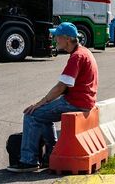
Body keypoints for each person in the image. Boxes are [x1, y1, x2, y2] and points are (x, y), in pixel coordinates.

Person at [7, 22, 99, 173]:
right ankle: (51, 153)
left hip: (75, 102)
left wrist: (40, 103)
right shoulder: (84, 52)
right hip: (84, 100)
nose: (55, 39)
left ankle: (28, 160)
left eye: (57, 37)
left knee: (32, 114)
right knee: (44, 115)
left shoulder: (76, 57)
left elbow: (61, 87)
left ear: (67, 39)